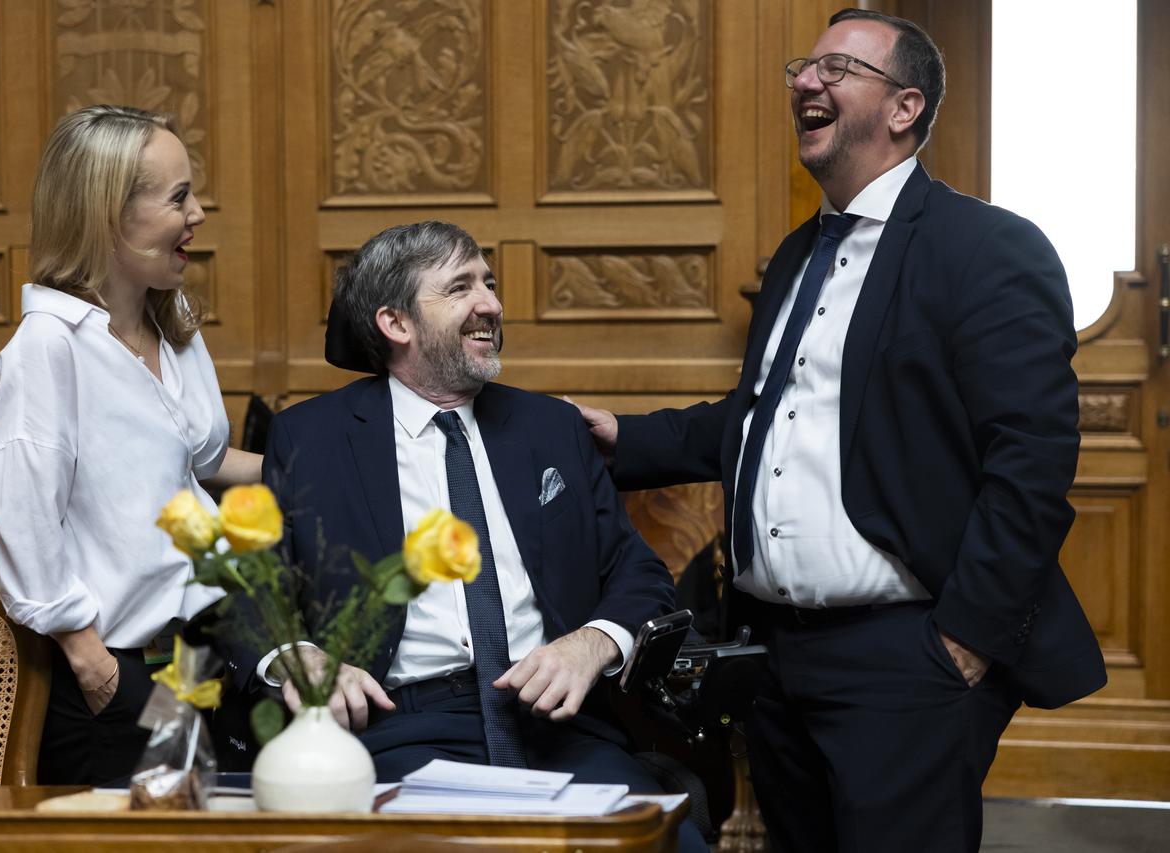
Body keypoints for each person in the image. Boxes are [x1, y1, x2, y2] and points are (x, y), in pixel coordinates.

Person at [571, 10, 1106, 852]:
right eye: (802, 67)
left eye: (835, 69)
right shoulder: (796, 256)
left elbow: (1033, 464)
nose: (805, 82)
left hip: (905, 657)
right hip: (776, 657)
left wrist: (963, 639)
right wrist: (621, 438)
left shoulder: (988, 248)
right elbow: (767, 422)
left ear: (904, 108)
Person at [249, 220, 704, 851]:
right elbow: (254, 588)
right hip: (400, 731)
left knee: (664, 841)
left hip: (559, 728)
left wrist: (592, 643)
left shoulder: (551, 427)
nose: (490, 303)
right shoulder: (313, 438)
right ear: (396, 323)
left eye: (489, 283)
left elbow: (639, 574)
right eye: (460, 287)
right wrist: (297, 655)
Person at [0, 105, 262, 785]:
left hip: (194, 653)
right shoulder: (47, 347)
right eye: (178, 197)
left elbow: (204, 460)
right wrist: (88, 656)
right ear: (109, 214)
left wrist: (336, 463)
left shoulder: (173, 328)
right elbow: (21, 511)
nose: (197, 213)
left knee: (198, 825)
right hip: (113, 672)